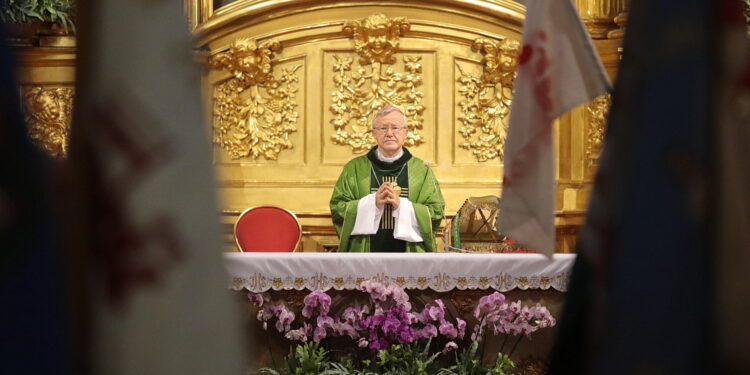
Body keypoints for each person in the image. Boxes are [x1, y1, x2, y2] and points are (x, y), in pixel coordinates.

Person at [330, 105, 444, 252]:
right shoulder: (354, 168)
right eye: (383, 128)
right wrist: (372, 204)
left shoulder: (422, 170)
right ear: (373, 134)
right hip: (365, 256)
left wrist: (401, 206)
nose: (389, 133)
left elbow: (435, 213)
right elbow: (337, 209)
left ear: (406, 133)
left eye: (395, 128)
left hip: (410, 256)